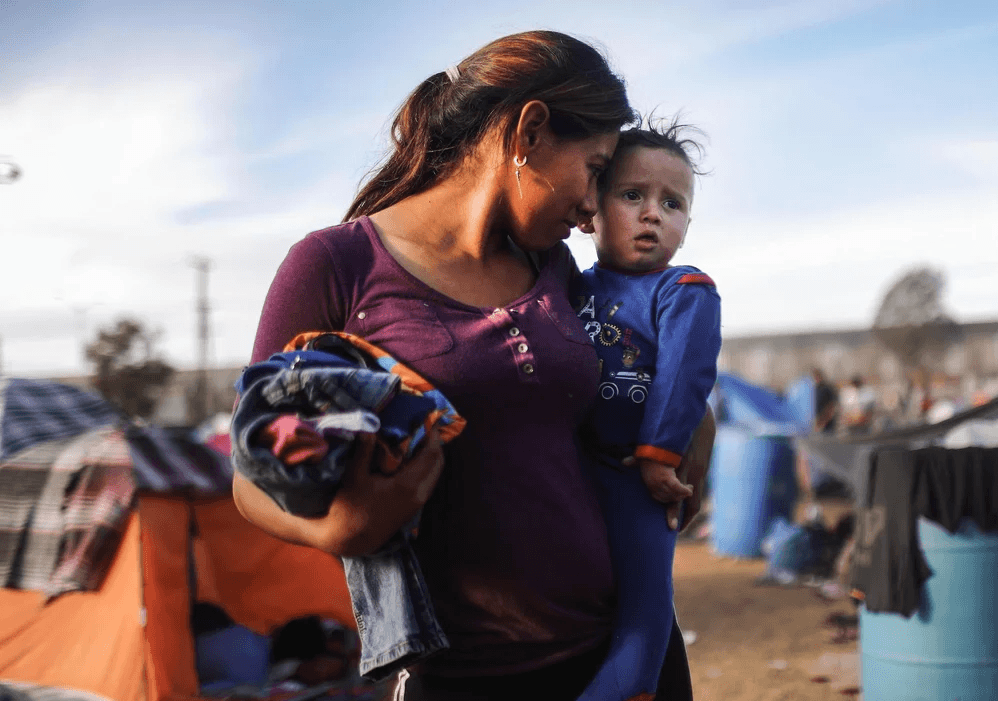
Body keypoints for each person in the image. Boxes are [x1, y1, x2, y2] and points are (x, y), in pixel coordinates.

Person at [230, 31, 712, 701]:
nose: (595, 203)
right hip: (459, 675)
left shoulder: (552, 267)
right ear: (531, 131)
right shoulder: (335, 266)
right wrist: (339, 529)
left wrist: (696, 417)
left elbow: (618, 378)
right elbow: (248, 476)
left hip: (614, 654)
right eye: (595, 167)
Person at [572, 119, 720, 700]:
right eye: (632, 195)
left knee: (645, 611)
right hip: (574, 474)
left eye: (672, 202)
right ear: (592, 210)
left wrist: (661, 457)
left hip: (640, 480)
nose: (653, 213)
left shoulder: (684, 289)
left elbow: (684, 378)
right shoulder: (567, 286)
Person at [811, 368, 839, 433]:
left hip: (828, 421)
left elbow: (832, 405)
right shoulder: (816, 388)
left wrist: (823, 420)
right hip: (819, 419)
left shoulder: (827, 388)